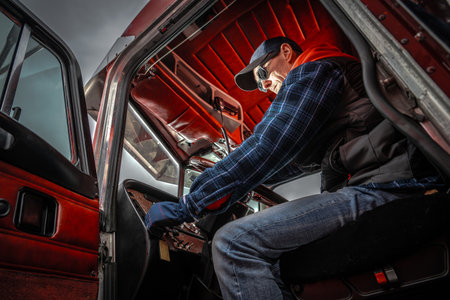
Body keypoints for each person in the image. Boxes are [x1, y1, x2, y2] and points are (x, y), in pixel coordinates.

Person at [145, 36, 442, 299]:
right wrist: (230, 187)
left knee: (234, 244)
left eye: (263, 73)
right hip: (381, 184)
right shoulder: (329, 100)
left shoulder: (315, 68)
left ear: (286, 52)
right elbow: (283, 164)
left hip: (386, 188)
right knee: (273, 258)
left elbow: (270, 145)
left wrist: (192, 203)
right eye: (260, 85)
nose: (264, 86)